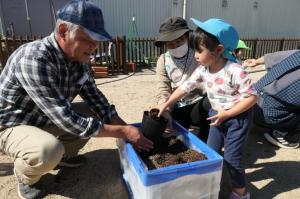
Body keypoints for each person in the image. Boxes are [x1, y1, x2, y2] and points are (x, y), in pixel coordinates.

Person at [0, 1, 153, 198]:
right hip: (12, 125)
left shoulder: (79, 60)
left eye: (97, 40)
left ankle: (61, 158)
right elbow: (66, 119)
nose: (94, 46)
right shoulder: (35, 59)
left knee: (92, 114)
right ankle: (26, 177)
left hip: (44, 118)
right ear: (63, 31)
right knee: (47, 150)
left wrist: (125, 129)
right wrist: (124, 132)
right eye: (88, 39)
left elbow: (97, 100)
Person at [157, 18, 257, 199]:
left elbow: (252, 98)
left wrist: (227, 114)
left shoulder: (235, 70)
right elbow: (184, 87)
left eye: (199, 50)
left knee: (232, 159)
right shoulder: (204, 69)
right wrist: (165, 104)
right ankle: (210, 183)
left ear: (218, 50)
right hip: (216, 116)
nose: (195, 55)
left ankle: (240, 193)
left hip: (237, 119)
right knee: (209, 152)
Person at [154, 16, 210, 141]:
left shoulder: (199, 54)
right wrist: (166, 110)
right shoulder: (163, 60)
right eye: (170, 43)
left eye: (179, 41)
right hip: (177, 107)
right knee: (157, 120)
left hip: (199, 103)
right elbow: (163, 89)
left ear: (187, 37)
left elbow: (211, 80)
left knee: (210, 103)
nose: (175, 46)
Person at [244, 50, 300, 149]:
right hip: (266, 115)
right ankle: (283, 135)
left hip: (249, 101)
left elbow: (269, 57)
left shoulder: (296, 54)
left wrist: (255, 61)